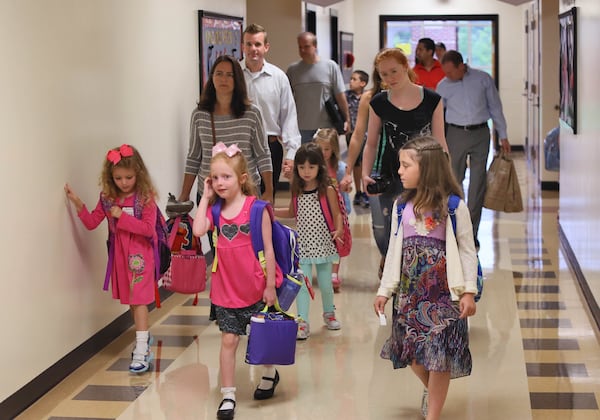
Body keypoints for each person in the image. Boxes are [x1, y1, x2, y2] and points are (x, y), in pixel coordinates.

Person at [374, 136, 478, 420]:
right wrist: (385, 290)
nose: (399, 171)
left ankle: (433, 413)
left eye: (406, 165)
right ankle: (432, 391)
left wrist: (468, 291)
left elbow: (468, 251)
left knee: (440, 358)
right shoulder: (401, 206)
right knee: (408, 352)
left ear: (428, 169)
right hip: (410, 297)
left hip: (444, 298)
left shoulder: (454, 207)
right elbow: (394, 251)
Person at [192, 142, 281, 420]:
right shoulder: (214, 211)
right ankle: (228, 394)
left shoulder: (257, 209)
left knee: (258, 338)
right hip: (225, 289)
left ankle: (269, 372)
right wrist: (205, 198)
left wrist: (269, 286)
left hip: (255, 286)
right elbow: (197, 230)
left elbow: (268, 249)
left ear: (242, 179)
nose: (220, 183)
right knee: (229, 340)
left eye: (226, 177)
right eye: (215, 178)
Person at [64, 144, 159, 373]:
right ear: (110, 177)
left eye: (129, 177)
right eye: (118, 178)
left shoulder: (145, 198)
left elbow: (148, 229)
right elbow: (92, 222)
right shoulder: (107, 198)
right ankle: (143, 335)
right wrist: (78, 205)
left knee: (139, 300)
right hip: (119, 256)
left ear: (139, 174)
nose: (124, 182)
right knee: (131, 300)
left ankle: (142, 347)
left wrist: (121, 218)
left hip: (140, 255)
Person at [361, 48, 448, 277]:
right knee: (389, 229)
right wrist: (365, 173)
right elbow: (371, 142)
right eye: (384, 75)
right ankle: (391, 266)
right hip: (392, 174)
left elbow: (440, 141)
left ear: (406, 67)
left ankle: (416, 275)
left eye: (394, 71)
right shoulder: (379, 102)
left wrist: (447, 178)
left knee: (422, 227)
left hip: (427, 175)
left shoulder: (432, 99)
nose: (391, 78)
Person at [437, 50, 511, 248]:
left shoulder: (482, 79)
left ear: (462, 66)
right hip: (455, 134)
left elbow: (495, 107)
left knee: (478, 183)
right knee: (453, 181)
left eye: (451, 72)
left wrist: (503, 135)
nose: (448, 76)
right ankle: (452, 228)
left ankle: (472, 231)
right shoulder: (443, 86)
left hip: (480, 134)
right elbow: (437, 116)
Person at [179, 54, 273, 205]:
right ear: (212, 77)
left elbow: (262, 154)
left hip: (245, 191)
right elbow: (194, 157)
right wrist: (184, 194)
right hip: (211, 193)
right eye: (219, 74)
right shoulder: (200, 115)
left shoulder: (251, 113)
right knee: (212, 229)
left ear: (237, 80)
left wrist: (269, 190)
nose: (224, 79)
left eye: (230, 75)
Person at [275, 143, 343, 339]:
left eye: (311, 167)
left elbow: (336, 213)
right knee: (302, 286)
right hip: (302, 248)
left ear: (319, 167)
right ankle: (302, 321)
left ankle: (329, 314)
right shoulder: (296, 189)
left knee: (325, 284)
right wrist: (271, 212)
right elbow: (291, 212)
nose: (306, 172)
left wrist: (338, 230)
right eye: (302, 167)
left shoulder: (327, 189)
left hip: (323, 245)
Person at [241, 23, 301, 191]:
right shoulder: (234, 74)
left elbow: (289, 115)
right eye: (249, 44)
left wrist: (291, 154)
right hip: (239, 147)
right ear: (242, 46)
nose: (253, 49)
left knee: (266, 202)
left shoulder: (279, 77)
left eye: (258, 44)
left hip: (270, 147)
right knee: (239, 201)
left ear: (266, 47)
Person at [287, 32, 351, 143]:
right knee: (305, 159)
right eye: (300, 47)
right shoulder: (293, 70)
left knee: (327, 159)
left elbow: (340, 96)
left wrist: (347, 119)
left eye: (306, 46)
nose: (303, 50)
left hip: (326, 127)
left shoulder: (330, 66)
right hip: (301, 128)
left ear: (315, 46)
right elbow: (286, 100)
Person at [313, 128, 352, 292]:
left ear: (334, 148)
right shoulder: (313, 167)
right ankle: (325, 270)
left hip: (336, 213)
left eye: (327, 149)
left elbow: (346, 192)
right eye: (320, 149)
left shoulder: (340, 168)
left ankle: (334, 273)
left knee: (337, 241)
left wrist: (346, 187)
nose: (324, 153)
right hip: (318, 213)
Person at [345, 70, 370, 208]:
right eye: (351, 79)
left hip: (367, 135)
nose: (351, 81)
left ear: (363, 83)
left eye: (354, 79)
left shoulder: (368, 97)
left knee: (365, 163)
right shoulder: (346, 97)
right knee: (356, 163)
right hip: (352, 135)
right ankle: (358, 191)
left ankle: (366, 191)